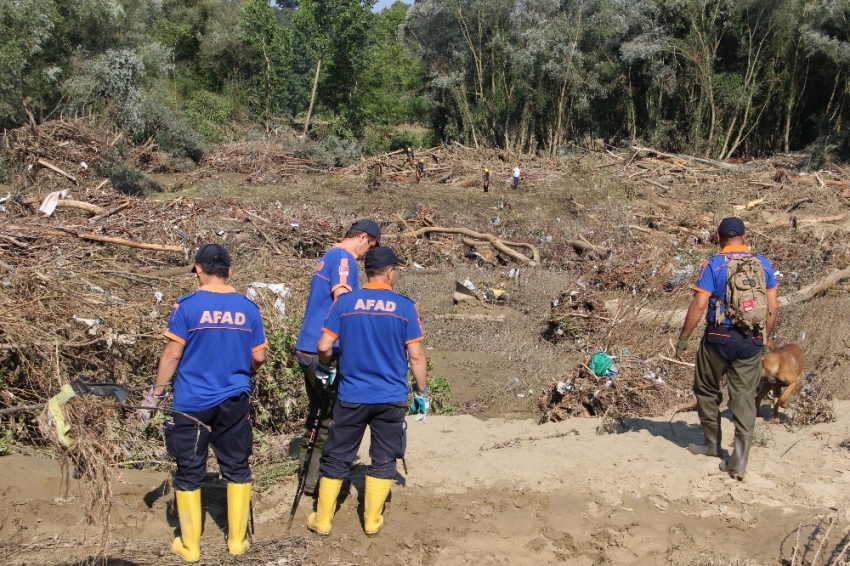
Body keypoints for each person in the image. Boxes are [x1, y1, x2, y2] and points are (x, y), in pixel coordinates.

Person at [148, 244, 267, 561]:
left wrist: (155, 394)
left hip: (192, 402)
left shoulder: (186, 306)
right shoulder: (248, 308)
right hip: (234, 399)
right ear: (229, 271)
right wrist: (242, 371)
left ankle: (190, 546)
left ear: (198, 269)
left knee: (189, 469)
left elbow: (173, 354)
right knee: (237, 466)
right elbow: (259, 357)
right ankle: (237, 542)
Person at [307, 246, 428, 537]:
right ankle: (372, 521)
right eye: (396, 269)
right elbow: (416, 356)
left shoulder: (345, 303)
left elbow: (323, 347)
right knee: (384, 457)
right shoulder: (404, 307)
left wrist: (327, 366)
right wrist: (422, 393)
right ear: (389, 273)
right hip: (391, 397)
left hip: (351, 395)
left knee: (337, 456)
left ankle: (323, 520)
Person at [675, 217, 779, 480]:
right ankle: (739, 460)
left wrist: (684, 338)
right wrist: (763, 338)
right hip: (751, 342)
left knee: (707, 389)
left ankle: (711, 444)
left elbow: (699, 305)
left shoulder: (713, 264)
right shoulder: (762, 264)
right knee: (743, 397)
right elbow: (773, 306)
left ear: (718, 238)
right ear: (744, 237)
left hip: (718, 339)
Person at [294, 219, 382, 495]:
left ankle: (308, 471)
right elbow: (342, 298)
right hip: (323, 350)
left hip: (309, 346)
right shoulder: (344, 259)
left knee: (318, 413)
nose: (369, 251)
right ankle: (316, 481)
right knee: (330, 418)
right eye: (372, 245)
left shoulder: (328, 256)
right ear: (363, 238)